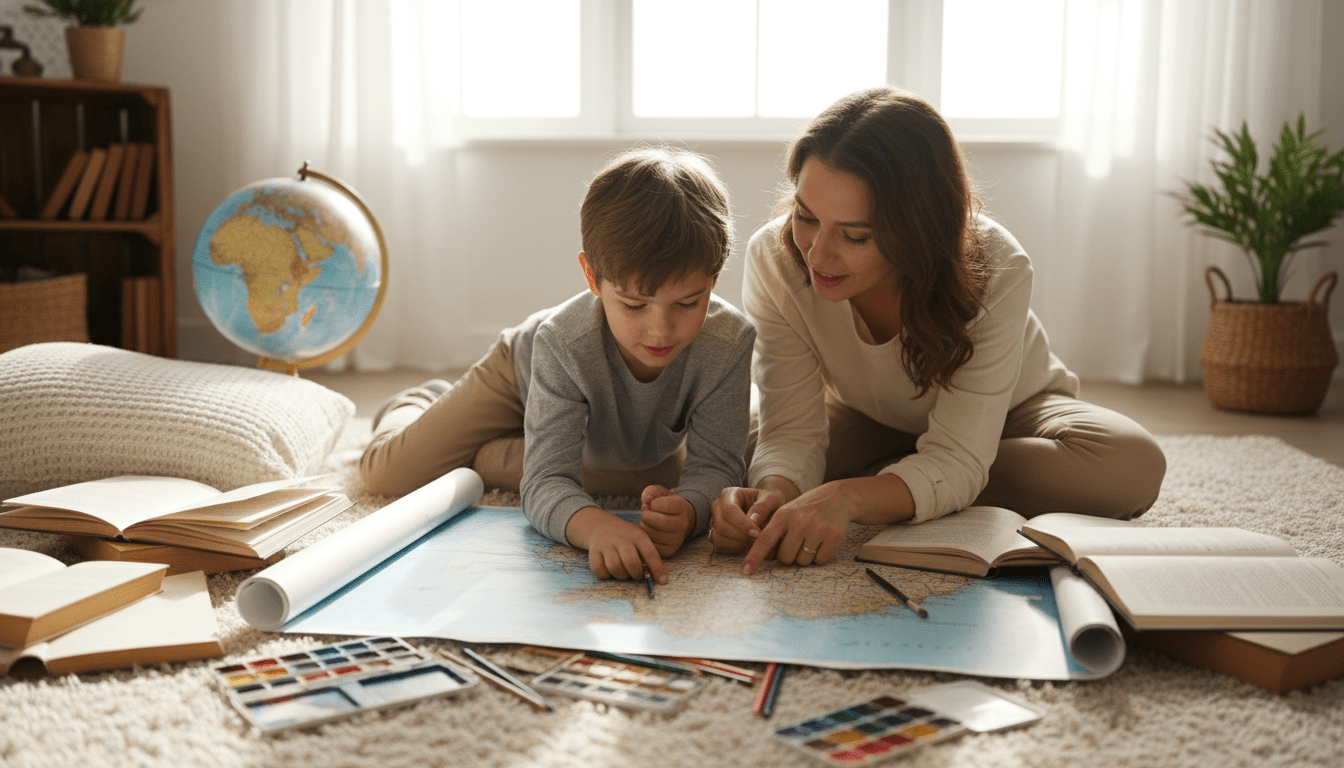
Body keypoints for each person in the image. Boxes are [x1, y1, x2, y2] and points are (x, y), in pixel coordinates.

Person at [710, 87, 1167, 576]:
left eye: (855, 235)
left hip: (1011, 410)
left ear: (916, 227)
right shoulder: (775, 259)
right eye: (805, 216)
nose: (817, 254)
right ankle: (911, 482)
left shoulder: (997, 264)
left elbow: (960, 452)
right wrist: (772, 498)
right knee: (728, 454)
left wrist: (849, 496)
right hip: (864, 413)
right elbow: (792, 427)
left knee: (1131, 465)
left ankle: (897, 483)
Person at [360, 146, 755, 585]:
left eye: (688, 302)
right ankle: (424, 400)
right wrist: (596, 525)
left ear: (714, 279)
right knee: (387, 475)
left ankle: (489, 451)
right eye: (634, 304)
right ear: (591, 277)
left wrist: (690, 511)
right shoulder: (561, 340)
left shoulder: (730, 342)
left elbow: (717, 468)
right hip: (520, 377)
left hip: (620, 435)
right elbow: (546, 482)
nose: (660, 331)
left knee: (661, 478)